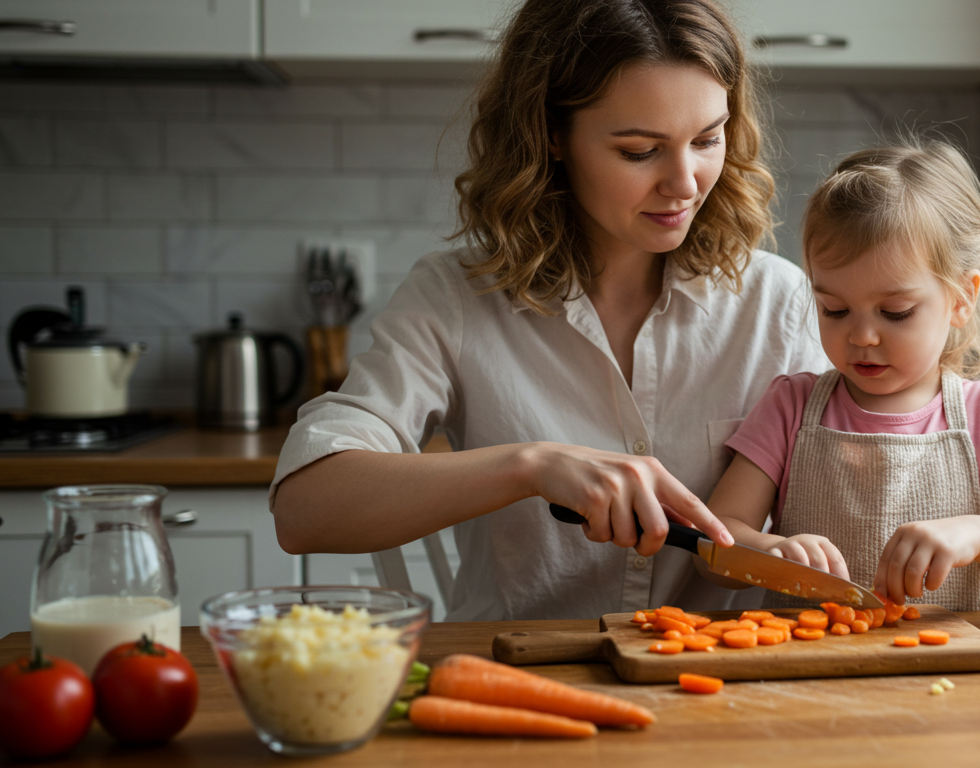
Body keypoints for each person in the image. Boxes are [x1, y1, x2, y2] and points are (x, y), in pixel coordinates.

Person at [270, 0, 828, 621]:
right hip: (513, 677)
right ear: (552, 136)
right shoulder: (455, 298)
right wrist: (530, 465)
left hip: (721, 686)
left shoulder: (781, 304)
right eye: (640, 151)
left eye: (706, 139)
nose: (686, 182)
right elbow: (303, 511)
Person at [703, 140, 980, 611]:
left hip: (953, 675)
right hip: (810, 674)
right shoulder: (790, 408)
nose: (862, 335)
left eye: (895, 312)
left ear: (961, 298)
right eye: (835, 309)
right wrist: (767, 550)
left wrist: (976, 533)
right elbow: (714, 547)